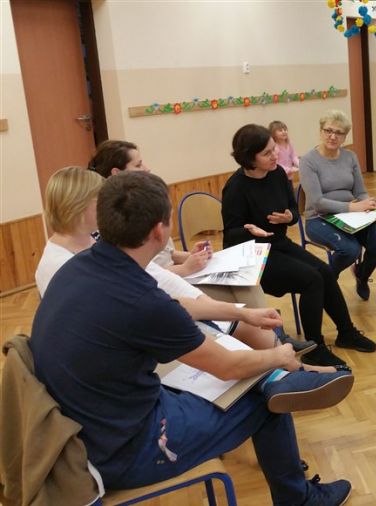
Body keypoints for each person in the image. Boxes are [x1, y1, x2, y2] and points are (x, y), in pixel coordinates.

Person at [30, 171, 353, 504]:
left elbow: (172, 306)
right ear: (160, 230)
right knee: (264, 400)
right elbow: (226, 366)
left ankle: (282, 384)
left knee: (242, 372)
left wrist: (241, 314)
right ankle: (299, 496)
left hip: (87, 427)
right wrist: (279, 355)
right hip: (123, 451)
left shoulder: (82, 266)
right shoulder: (140, 298)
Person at [34, 166, 352, 411]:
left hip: (127, 354)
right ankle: (279, 374)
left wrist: (237, 313)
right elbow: (158, 306)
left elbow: (159, 286)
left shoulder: (95, 250)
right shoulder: (71, 265)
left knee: (243, 322)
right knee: (240, 369)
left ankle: (284, 373)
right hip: (119, 387)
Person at [222, 124, 376, 366]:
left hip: (278, 244)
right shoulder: (236, 187)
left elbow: (294, 211)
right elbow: (230, 236)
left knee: (325, 272)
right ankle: (315, 347)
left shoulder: (277, 174)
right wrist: (249, 230)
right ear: (249, 158)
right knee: (311, 279)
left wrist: (289, 218)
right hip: (252, 256)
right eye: (267, 153)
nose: (275, 155)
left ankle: (346, 332)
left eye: (274, 149)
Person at [87, 139, 269, 311]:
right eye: (138, 165)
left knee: (244, 275)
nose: (147, 168)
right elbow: (145, 271)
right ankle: (266, 327)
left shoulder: (142, 200)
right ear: (117, 173)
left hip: (177, 274)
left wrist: (192, 256)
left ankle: (267, 327)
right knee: (241, 292)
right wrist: (186, 268)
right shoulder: (122, 213)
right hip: (166, 285)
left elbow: (164, 254)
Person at [300, 110, 376, 301]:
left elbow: (360, 191)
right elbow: (317, 202)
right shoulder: (308, 161)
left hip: (350, 215)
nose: (333, 136)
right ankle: (325, 282)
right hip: (319, 218)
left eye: (339, 132)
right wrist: (352, 207)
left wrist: (367, 204)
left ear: (345, 136)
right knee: (350, 250)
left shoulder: (350, 157)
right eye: (328, 130)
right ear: (321, 131)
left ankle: (362, 275)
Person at [34, 166, 104, 295]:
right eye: (101, 201)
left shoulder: (90, 238)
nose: (106, 206)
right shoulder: (59, 266)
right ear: (78, 206)